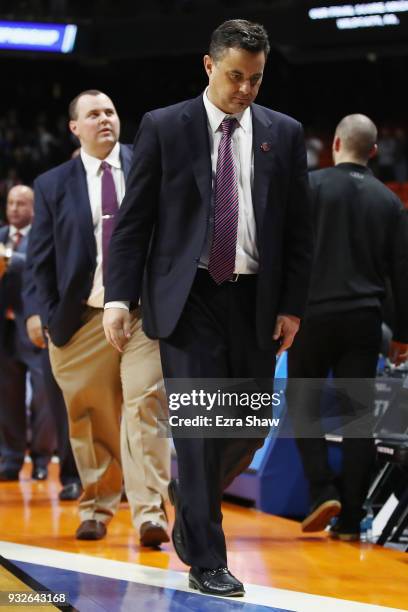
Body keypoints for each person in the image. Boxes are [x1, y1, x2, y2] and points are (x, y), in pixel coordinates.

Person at [103, 20, 313, 596]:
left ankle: (189, 498)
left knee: (245, 426)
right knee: (199, 428)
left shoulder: (285, 133)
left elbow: (299, 230)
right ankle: (207, 557)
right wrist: (119, 297)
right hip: (188, 298)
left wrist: (292, 305)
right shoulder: (165, 126)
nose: (245, 88)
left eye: (256, 78)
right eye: (235, 76)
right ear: (208, 66)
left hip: (256, 298)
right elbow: (133, 221)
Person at [29, 90, 170, 543]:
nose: (104, 119)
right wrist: (42, 314)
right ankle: (97, 506)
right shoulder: (52, 184)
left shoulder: (149, 164)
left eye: (110, 111)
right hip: (82, 318)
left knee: (145, 404)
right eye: (93, 114)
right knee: (92, 417)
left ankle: (150, 513)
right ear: (75, 127)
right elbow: (40, 258)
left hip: (141, 313)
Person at [287, 114, 408, 541]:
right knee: (358, 420)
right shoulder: (390, 202)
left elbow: (289, 252)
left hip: (311, 315)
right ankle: (352, 518)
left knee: (302, 405)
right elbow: (401, 274)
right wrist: (403, 331)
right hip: (364, 320)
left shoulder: (311, 187)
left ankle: (322, 489)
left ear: (335, 144)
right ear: (373, 151)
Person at [0, 185, 55, 481]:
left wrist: (10, 260)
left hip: (34, 330)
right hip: (5, 332)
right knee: (7, 399)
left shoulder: (42, 237)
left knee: (42, 401)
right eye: (10, 203)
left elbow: (41, 269)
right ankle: (10, 459)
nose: (14, 209)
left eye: (21, 203)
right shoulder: (0, 236)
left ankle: (42, 458)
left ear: (34, 208)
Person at [23, 262, 82, 501]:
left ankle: (130, 486)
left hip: (134, 313)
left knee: (133, 406)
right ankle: (73, 477)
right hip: (63, 316)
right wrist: (36, 312)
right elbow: (38, 262)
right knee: (66, 407)